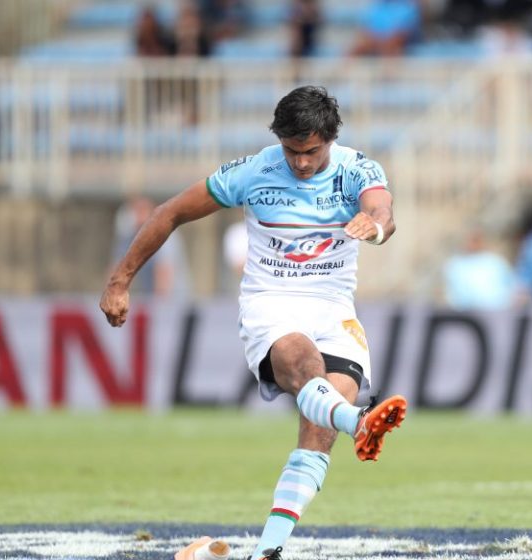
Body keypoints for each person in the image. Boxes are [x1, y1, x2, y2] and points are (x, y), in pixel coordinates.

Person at [100, 86, 407, 560]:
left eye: (311, 151)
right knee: (303, 362)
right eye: (291, 151)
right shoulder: (253, 171)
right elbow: (170, 213)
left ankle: (268, 551)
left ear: (330, 138)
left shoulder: (357, 169)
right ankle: (360, 421)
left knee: (317, 432)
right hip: (273, 303)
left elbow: (381, 209)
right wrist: (120, 280)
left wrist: (377, 226)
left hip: (334, 307)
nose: (301, 163)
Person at [442, 228, 516, 310]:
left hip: (494, 311)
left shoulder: (496, 262)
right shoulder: (455, 265)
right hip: (464, 313)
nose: (473, 244)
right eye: (470, 240)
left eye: (476, 240)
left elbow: (511, 286)